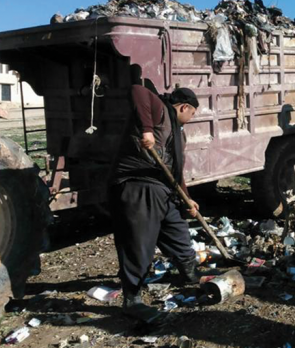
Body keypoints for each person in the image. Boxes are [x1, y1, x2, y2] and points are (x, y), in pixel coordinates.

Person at [111, 86, 201, 324]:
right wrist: (147, 130)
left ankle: (191, 275)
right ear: (184, 107)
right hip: (139, 185)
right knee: (139, 245)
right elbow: (138, 90)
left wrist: (187, 198)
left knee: (179, 232)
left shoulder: (179, 134)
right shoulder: (159, 110)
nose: (191, 120)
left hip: (165, 190)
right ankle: (132, 300)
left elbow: (176, 172)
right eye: (192, 114)